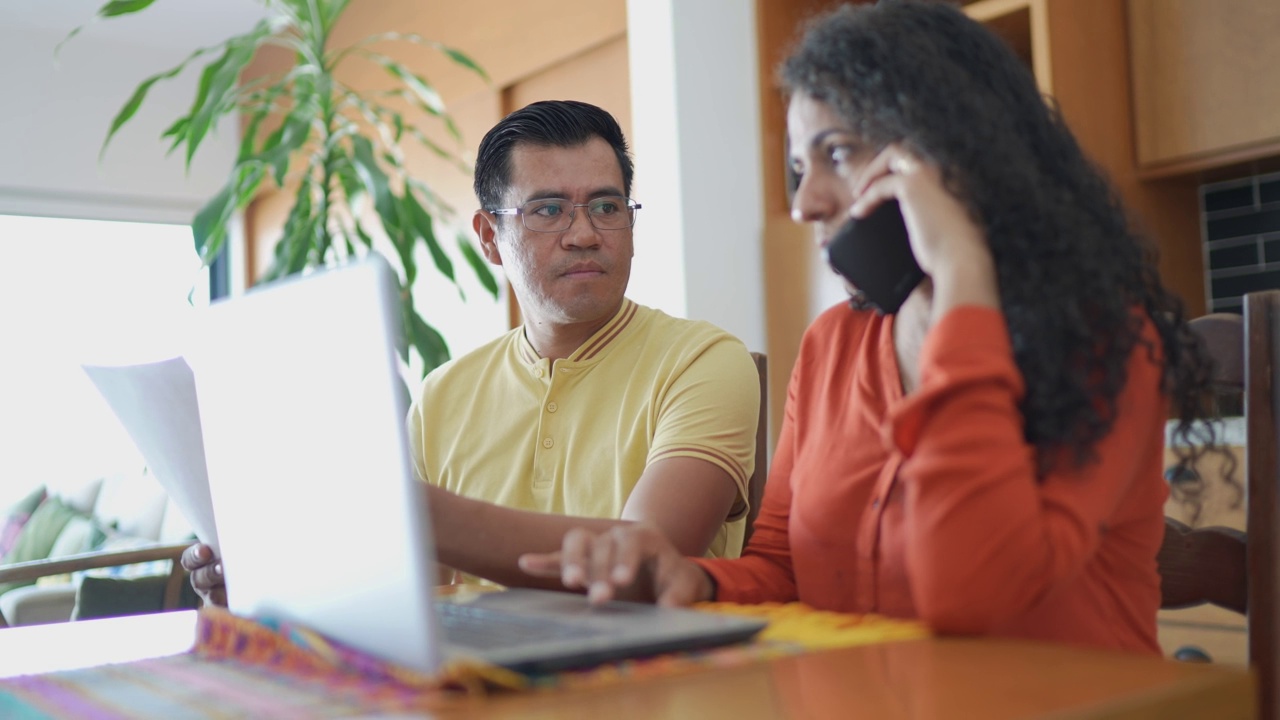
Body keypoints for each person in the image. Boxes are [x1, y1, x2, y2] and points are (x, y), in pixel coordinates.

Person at [519, 0, 1218, 655]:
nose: (805, 202)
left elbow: (973, 597)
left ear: (949, 159)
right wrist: (694, 582)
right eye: (798, 167)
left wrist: (962, 281)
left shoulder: (1105, 341)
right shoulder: (833, 346)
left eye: (837, 155)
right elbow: (787, 569)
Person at [183, 100, 759, 604]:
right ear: (489, 238)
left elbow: (643, 566)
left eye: (606, 208)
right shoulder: (442, 395)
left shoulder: (703, 360)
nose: (584, 233)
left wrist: (409, 509)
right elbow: (422, 599)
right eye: (549, 209)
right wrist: (266, 590)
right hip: (478, 683)